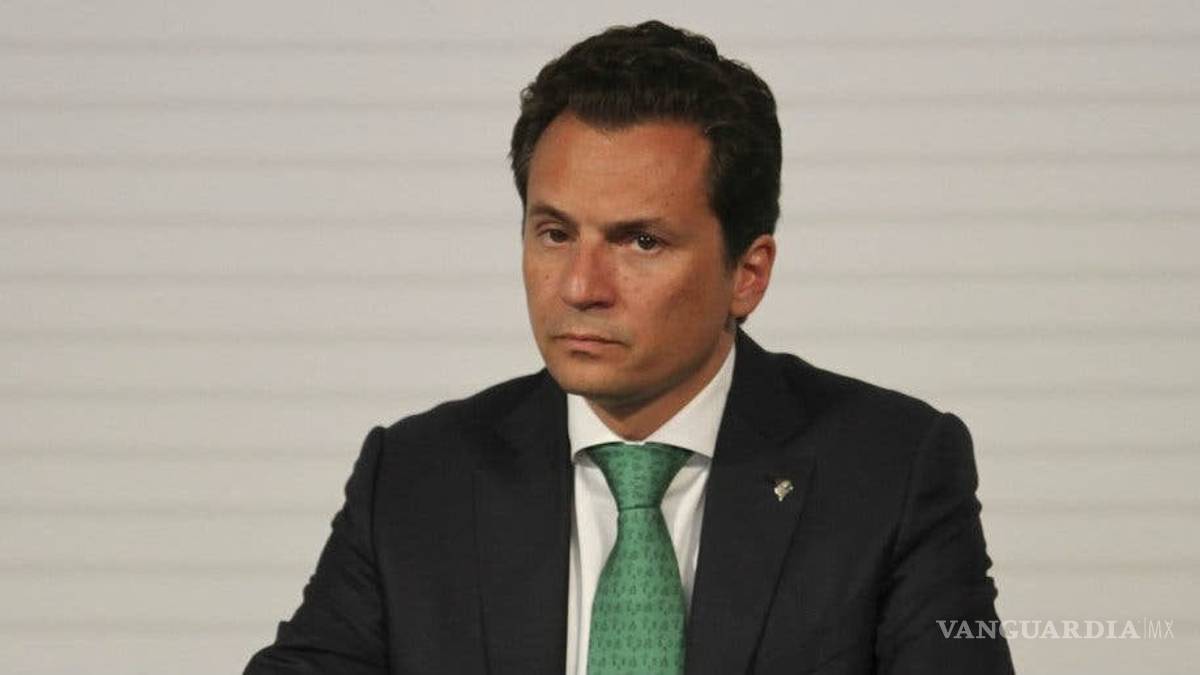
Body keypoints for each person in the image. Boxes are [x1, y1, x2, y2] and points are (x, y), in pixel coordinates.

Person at [244, 20, 1014, 675]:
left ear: (747, 275)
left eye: (641, 241)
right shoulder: (417, 478)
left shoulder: (891, 471)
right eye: (555, 233)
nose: (581, 285)